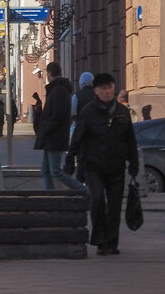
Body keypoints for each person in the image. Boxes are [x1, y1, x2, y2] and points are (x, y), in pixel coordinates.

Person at [64, 73, 138, 255]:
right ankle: (100, 240)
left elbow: (130, 139)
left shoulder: (122, 112)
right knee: (97, 201)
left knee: (114, 206)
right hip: (93, 166)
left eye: (110, 87)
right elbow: (77, 139)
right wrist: (70, 162)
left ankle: (111, 243)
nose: (107, 91)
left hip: (116, 166)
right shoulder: (88, 112)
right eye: (103, 88)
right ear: (96, 91)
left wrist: (133, 162)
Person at [34, 62, 84, 191]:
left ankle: (83, 190)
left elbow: (58, 115)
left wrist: (46, 129)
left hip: (54, 137)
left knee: (55, 171)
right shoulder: (57, 89)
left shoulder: (58, 90)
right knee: (45, 171)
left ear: (49, 74)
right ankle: (50, 198)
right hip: (51, 137)